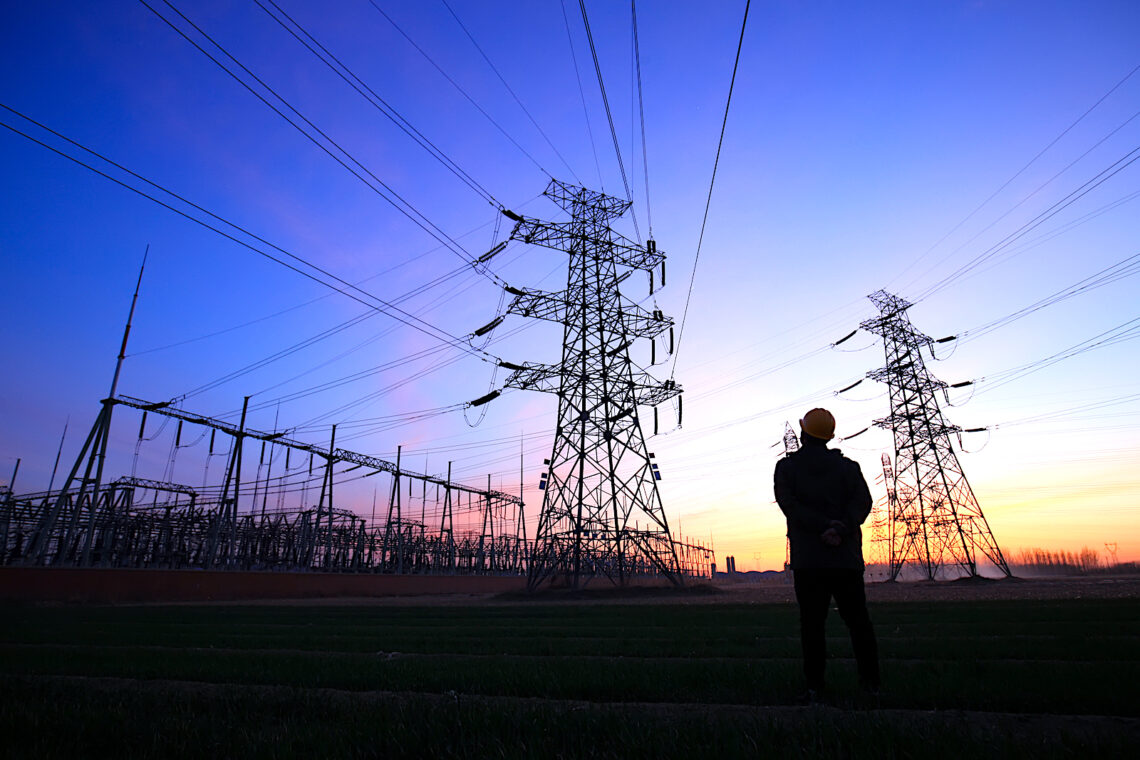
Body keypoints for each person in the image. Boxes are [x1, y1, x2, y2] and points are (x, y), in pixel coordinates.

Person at [774, 407, 879, 699]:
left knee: (812, 624)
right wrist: (840, 528)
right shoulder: (849, 468)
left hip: (809, 561)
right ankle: (871, 685)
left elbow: (790, 506)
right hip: (845, 559)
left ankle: (815, 687)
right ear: (829, 436)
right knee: (859, 622)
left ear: (803, 432)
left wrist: (821, 527)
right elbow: (862, 503)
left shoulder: (787, 468)